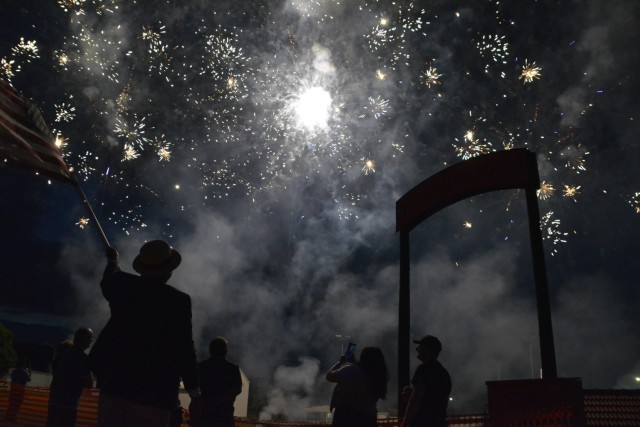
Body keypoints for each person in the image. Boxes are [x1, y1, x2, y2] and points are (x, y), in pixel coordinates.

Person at [89, 240, 201, 427]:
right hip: (155, 393)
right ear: (169, 271)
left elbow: (109, 279)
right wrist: (194, 389)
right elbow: (184, 346)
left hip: (115, 384)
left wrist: (112, 261)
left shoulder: (123, 286)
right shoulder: (178, 301)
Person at [326, 346, 388, 427]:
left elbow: (330, 376)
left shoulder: (352, 370)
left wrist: (340, 362)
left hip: (346, 418)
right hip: (368, 418)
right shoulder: (379, 377)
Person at [46, 328, 94, 427]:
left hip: (54, 400)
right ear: (84, 340)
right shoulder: (82, 358)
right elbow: (89, 384)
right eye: (90, 339)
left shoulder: (64, 354)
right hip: (68, 404)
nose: (91, 342)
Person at [400, 335, 452, 427]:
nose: (417, 349)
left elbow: (416, 399)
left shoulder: (423, 369)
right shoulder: (444, 373)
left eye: (420, 347)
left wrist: (405, 423)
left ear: (428, 350)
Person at [191, 336, 242, 427]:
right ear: (225, 351)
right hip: (225, 417)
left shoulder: (200, 368)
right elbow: (237, 389)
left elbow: (193, 389)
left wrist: (206, 403)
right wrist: (220, 401)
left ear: (210, 350)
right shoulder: (232, 369)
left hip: (204, 417)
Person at [5, 358, 31, 422]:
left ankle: (8, 417)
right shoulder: (24, 372)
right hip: (20, 391)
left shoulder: (14, 372)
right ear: (23, 365)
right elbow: (29, 379)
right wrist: (29, 372)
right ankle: (13, 418)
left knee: (11, 404)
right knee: (17, 405)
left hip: (13, 390)